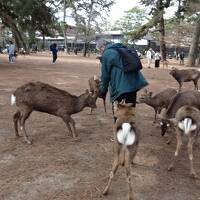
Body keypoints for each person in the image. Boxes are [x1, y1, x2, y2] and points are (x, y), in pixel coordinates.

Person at [96, 39, 148, 122]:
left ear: (102, 47)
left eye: (99, 50)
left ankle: (118, 132)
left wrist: (102, 91)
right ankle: (131, 130)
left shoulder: (107, 53)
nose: (100, 52)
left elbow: (105, 75)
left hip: (120, 88)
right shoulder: (122, 49)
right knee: (130, 110)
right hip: (133, 85)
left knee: (118, 112)